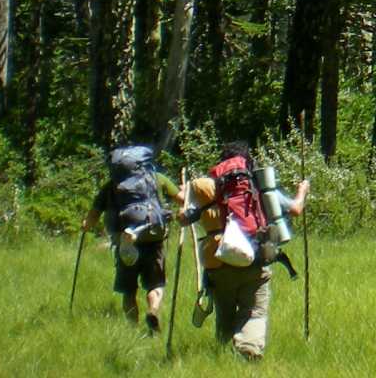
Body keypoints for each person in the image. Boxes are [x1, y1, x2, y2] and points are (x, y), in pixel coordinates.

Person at [179, 142, 309, 361]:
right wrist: (302, 191)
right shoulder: (259, 186)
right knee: (255, 311)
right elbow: (295, 209)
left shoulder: (211, 188)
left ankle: (223, 356)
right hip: (255, 259)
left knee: (225, 312)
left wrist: (182, 209)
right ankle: (248, 350)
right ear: (248, 162)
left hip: (219, 262)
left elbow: (184, 218)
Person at [82, 144, 182, 335]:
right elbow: (182, 199)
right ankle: (153, 310)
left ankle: (132, 331)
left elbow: (92, 218)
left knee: (129, 290)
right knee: (155, 284)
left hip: (125, 241)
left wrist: (85, 225)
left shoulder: (111, 186)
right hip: (153, 238)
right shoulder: (156, 178)